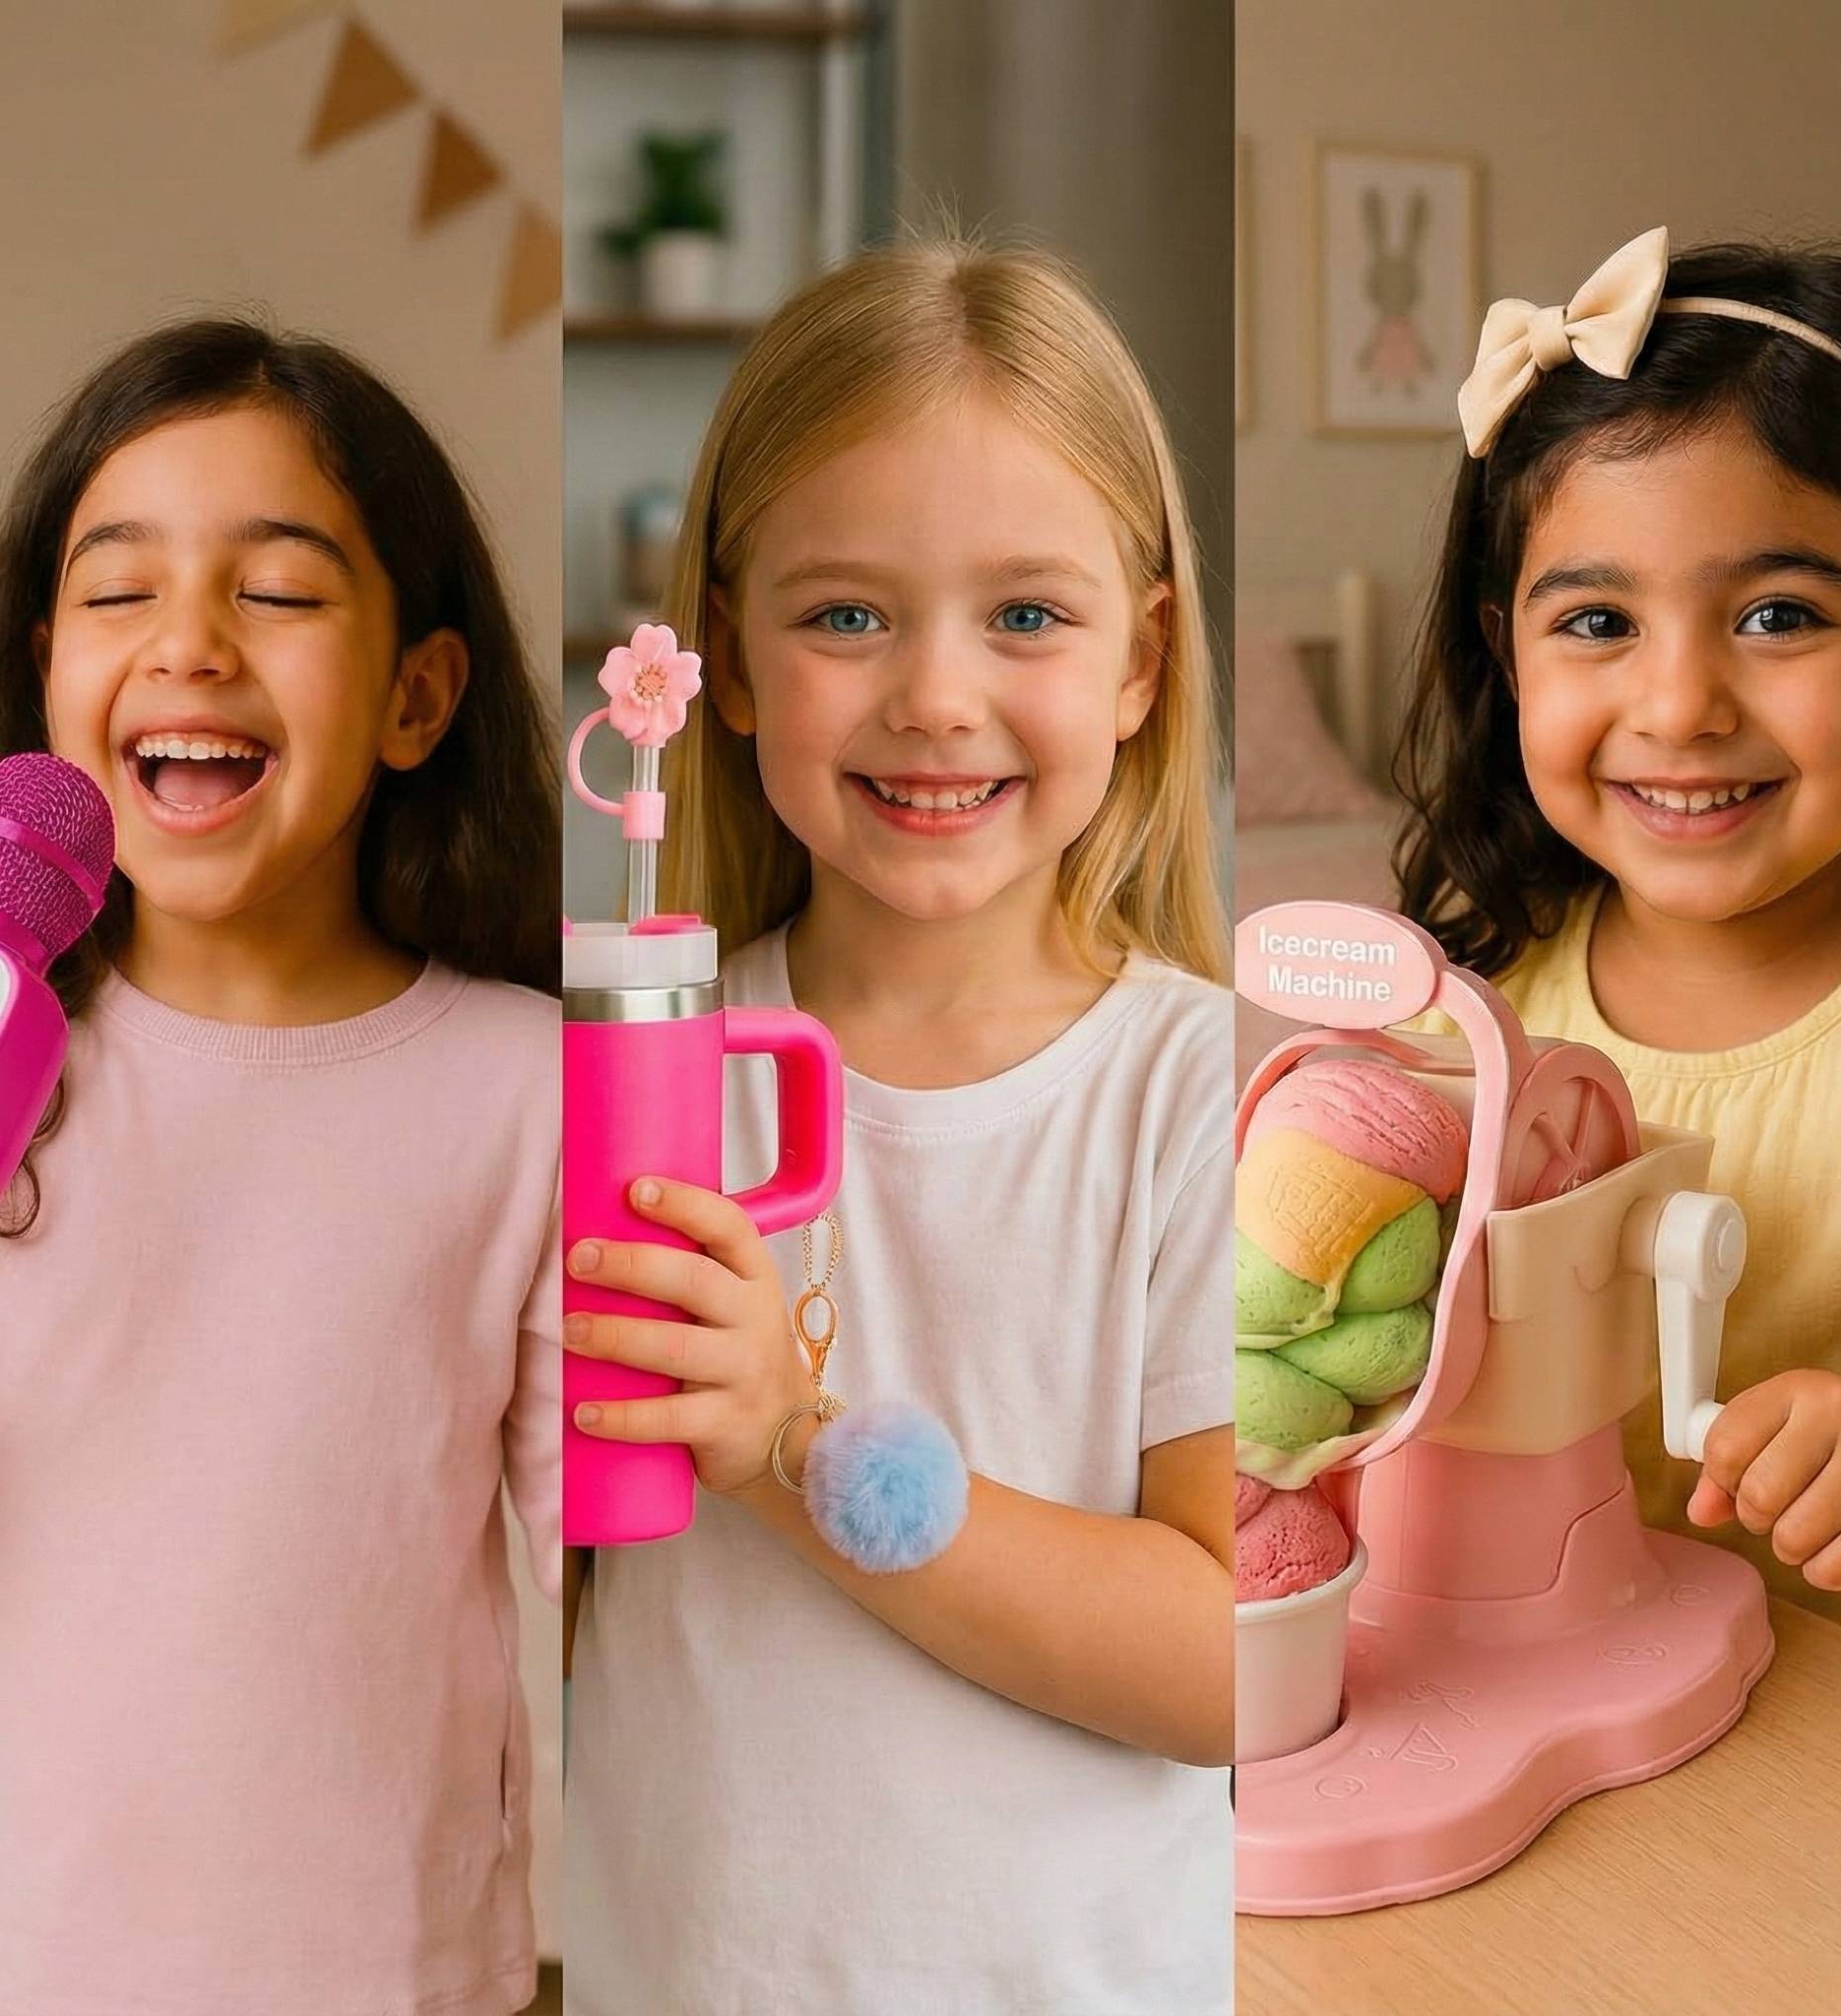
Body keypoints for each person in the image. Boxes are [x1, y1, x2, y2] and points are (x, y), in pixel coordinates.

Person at [560, 236, 1236, 2013]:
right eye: (846, 613)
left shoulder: (1199, 1092)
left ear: (1143, 661)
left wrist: (791, 1440)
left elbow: (1225, 1660)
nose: (936, 694)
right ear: (725, 655)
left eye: (1026, 613)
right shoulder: (643, 1067)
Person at [0, 320, 563, 2012]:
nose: (187, 642)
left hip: (397, 1975)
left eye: (274, 591)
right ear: (51, 675)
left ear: (416, 694)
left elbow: (610, 1555)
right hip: (11, 1960)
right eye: (119, 594)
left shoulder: (526, 1089)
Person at [1395, 227, 1841, 1647]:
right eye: (1602, 621)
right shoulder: (1460, 1023)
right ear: (1508, 656)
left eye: (1779, 614)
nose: (1681, 707)